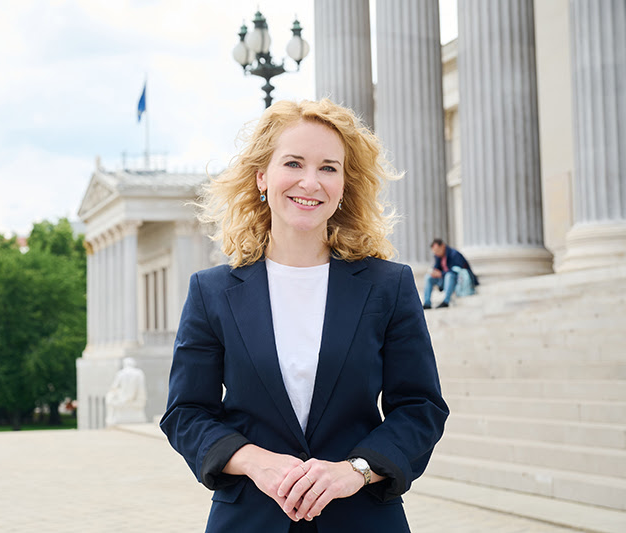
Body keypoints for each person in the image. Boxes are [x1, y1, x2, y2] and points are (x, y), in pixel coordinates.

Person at [160, 99, 449, 533]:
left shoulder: (389, 286)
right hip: (249, 519)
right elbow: (186, 412)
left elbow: (420, 407)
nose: (310, 182)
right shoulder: (212, 292)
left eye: (329, 168)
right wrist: (257, 463)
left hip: (363, 518)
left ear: (344, 185)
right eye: (293, 163)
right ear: (263, 176)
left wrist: (356, 470)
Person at [422, 238, 478, 309]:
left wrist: (441, 274)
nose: (436, 253)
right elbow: (436, 268)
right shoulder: (438, 257)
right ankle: (427, 303)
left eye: (437, 251)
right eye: (434, 252)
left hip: (458, 281)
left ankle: (446, 301)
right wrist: (433, 272)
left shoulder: (454, 254)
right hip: (445, 281)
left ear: (442, 246)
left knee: (449, 275)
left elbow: (457, 270)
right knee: (428, 277)